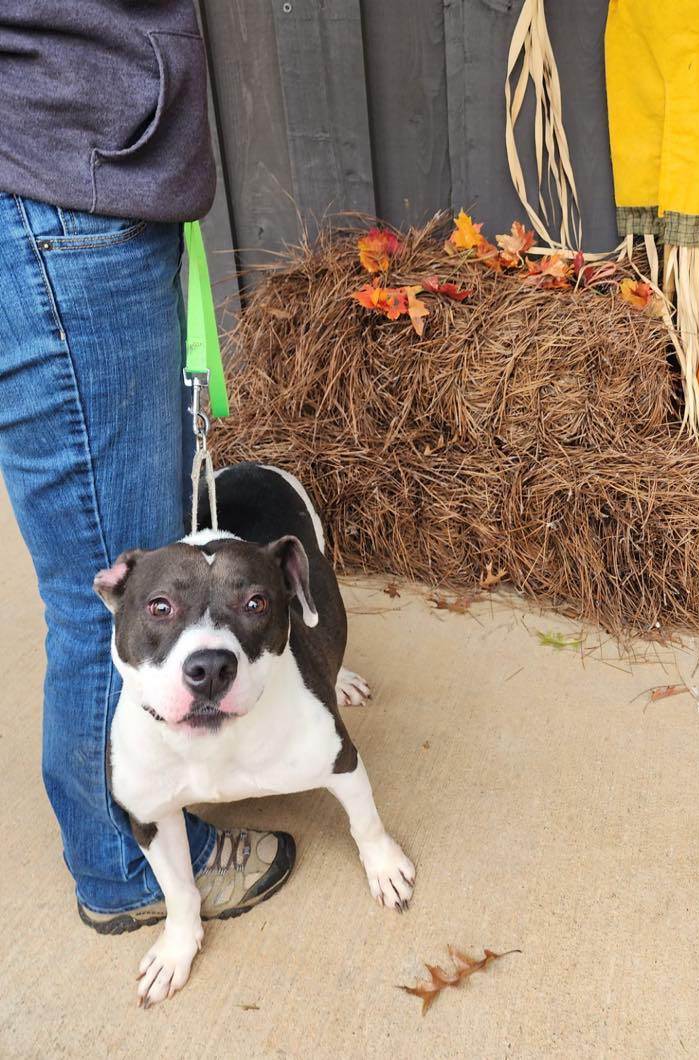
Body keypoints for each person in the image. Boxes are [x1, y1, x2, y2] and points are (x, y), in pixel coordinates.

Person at [0, 2, 295, 931]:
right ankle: (126, 868)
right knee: (111, 595)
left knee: (111, 579)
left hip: (62, 182)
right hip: (65, 203)